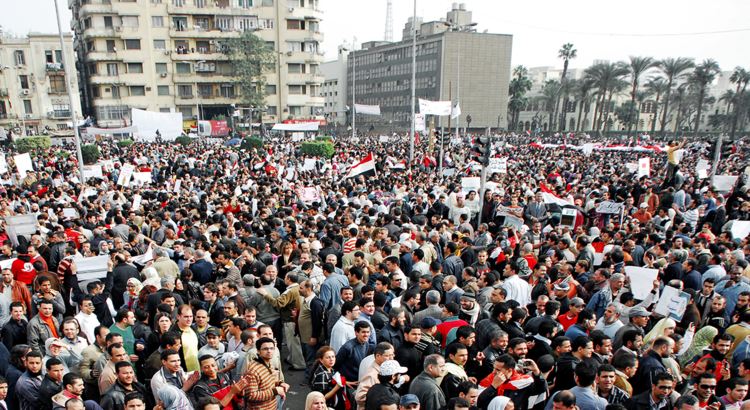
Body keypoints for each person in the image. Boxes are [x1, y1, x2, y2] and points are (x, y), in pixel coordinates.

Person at [244, 337, 289, 410]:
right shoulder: (252, 370)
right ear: (258, 351)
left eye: (272, 348)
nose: (269, 351)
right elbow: (251, 396)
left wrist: (279, 383)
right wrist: (275, 391)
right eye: (265, 349)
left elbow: (265, 383)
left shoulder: (268, 362)